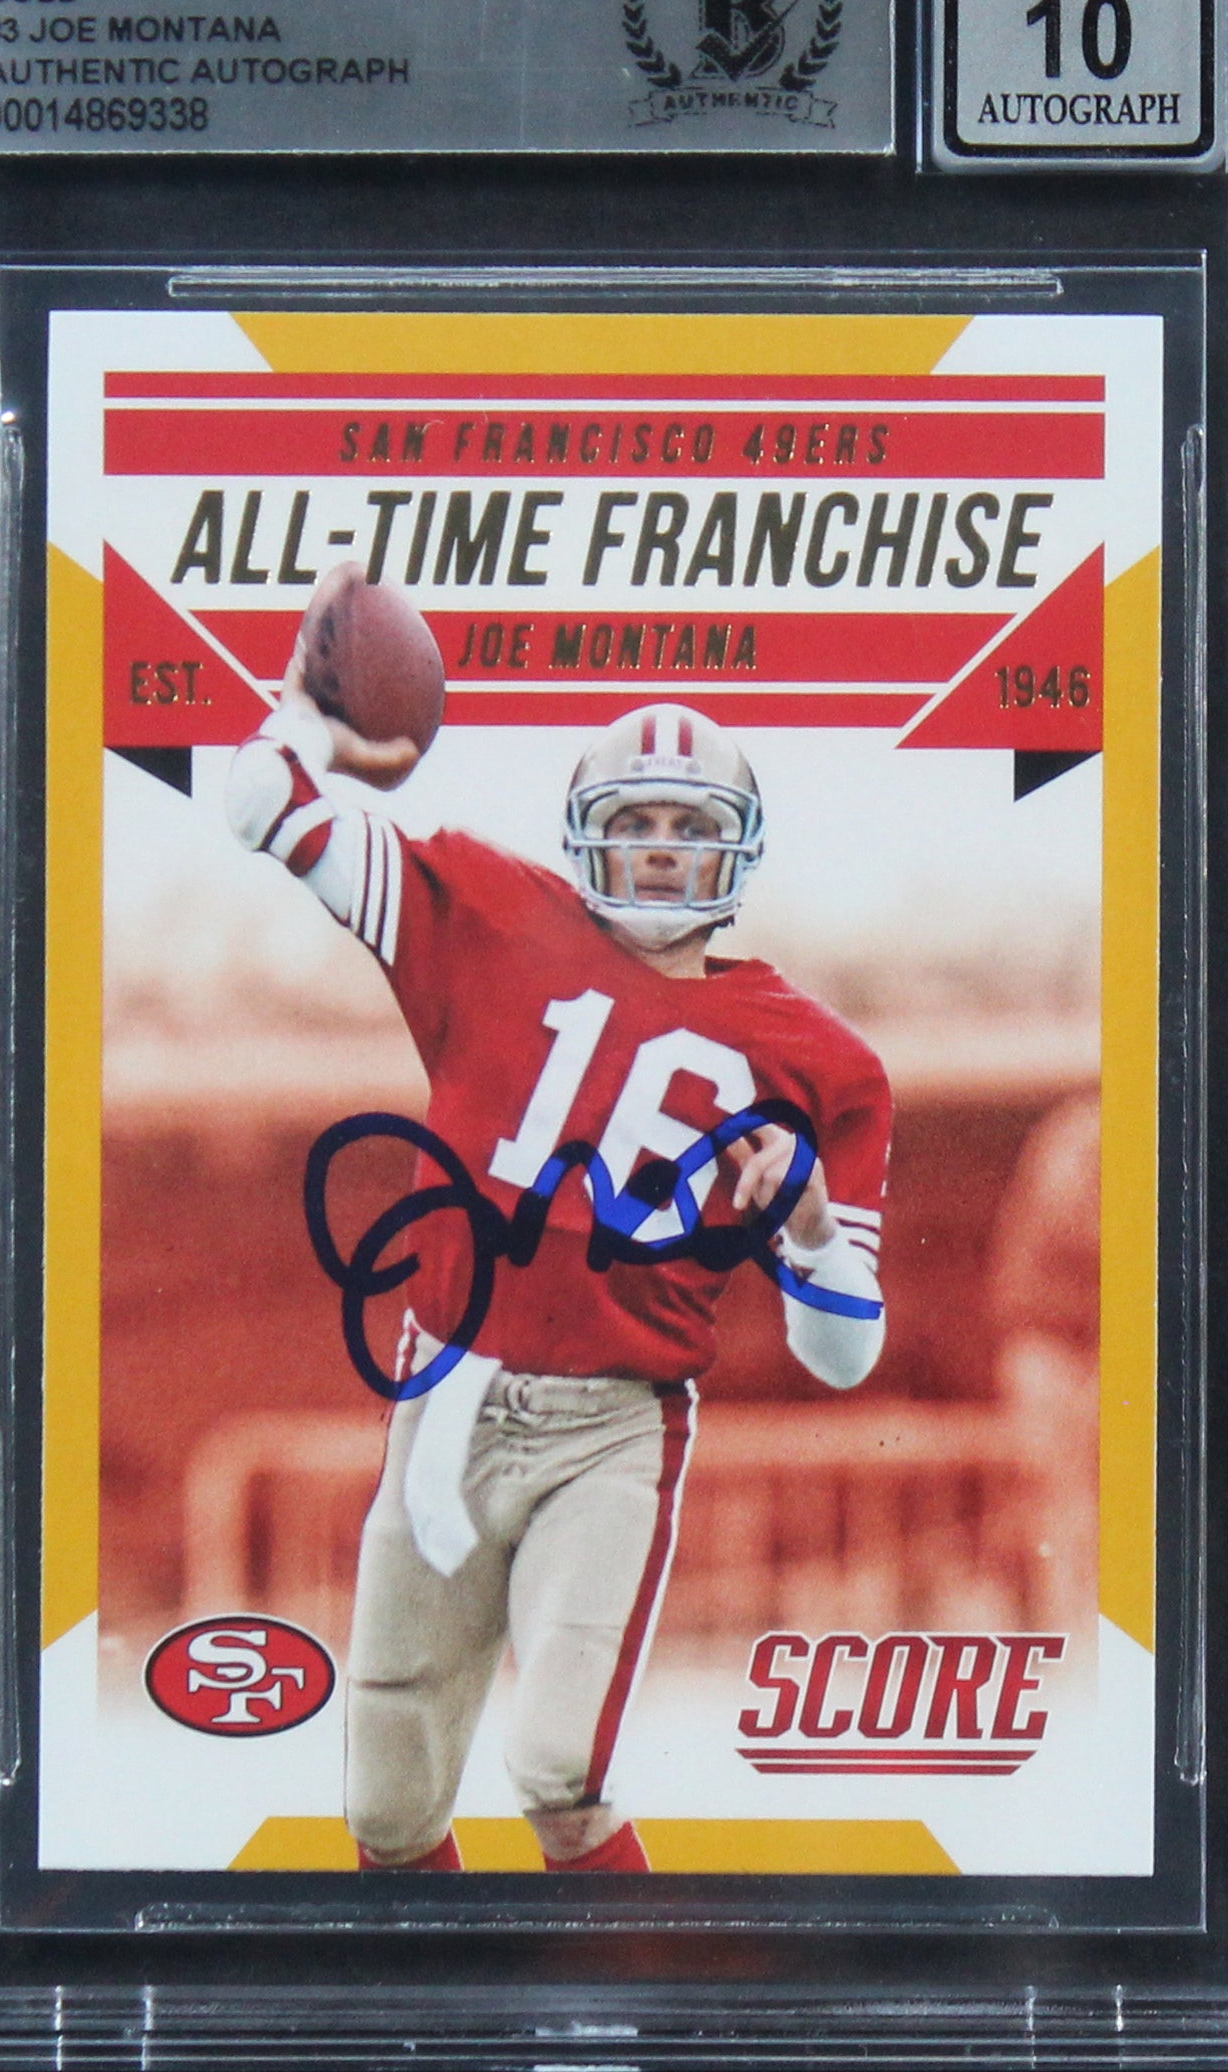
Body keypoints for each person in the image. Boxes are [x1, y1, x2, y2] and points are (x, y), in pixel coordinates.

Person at [226, 669, 890, 1875]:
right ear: (589, 831)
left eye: (689, 822)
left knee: (557, 1765)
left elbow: (844, 1357)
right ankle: (443, 1988)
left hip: (611, 1428)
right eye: (635, 818)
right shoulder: (487, 913)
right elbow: (263, 806)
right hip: (447, 1401)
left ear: (736, 846)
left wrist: (808, 1228)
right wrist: (311, 710)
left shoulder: (820, 1062)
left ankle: (628, 1985)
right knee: (387, 1804)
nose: (661, 847)